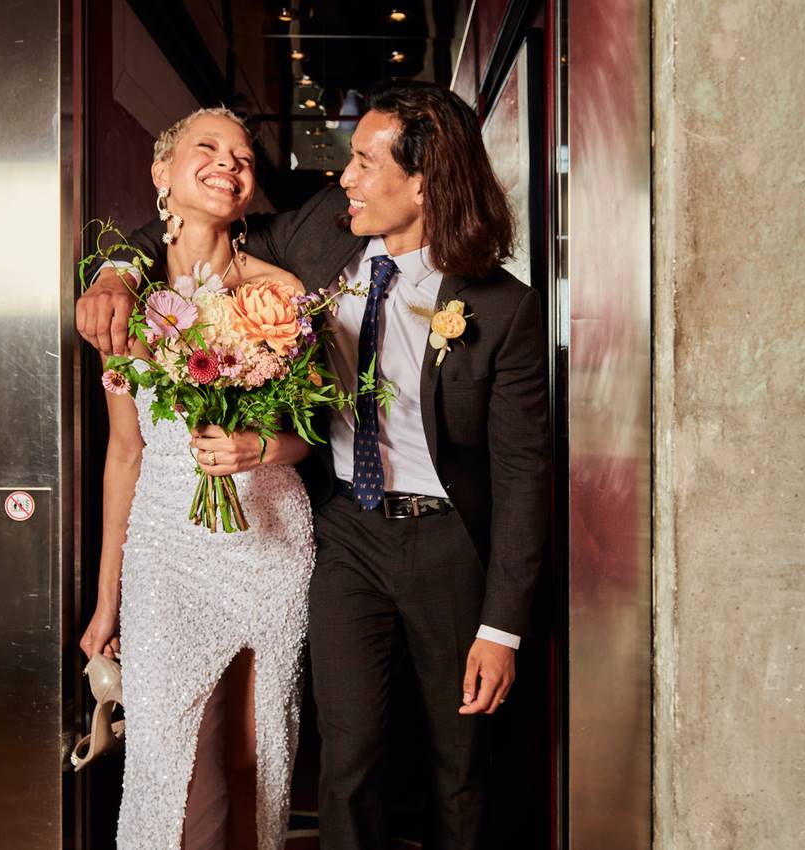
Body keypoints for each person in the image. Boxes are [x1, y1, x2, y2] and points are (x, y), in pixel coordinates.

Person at [79, 80, 551, 849]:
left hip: (448, 544)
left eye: (365, 162)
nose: (346, 177)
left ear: (424, 183)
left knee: (461, 761)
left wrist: (502, 629)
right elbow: (194, 228)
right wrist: (116, 273)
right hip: (344, 536)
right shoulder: (319, 240)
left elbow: (526, 477)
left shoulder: (502, 309)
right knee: (347, 754)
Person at [77, 105, 316, 850]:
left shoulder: (279, 292)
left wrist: (262, 450)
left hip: (268, 541)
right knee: (172, 763)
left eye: (243, 156)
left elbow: (312, 435)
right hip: (166, 550)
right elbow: (126, 452)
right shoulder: (123, 304)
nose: (229, 164)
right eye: (206, 148)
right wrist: (106, 599)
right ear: (162, 175)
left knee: (255, 756)